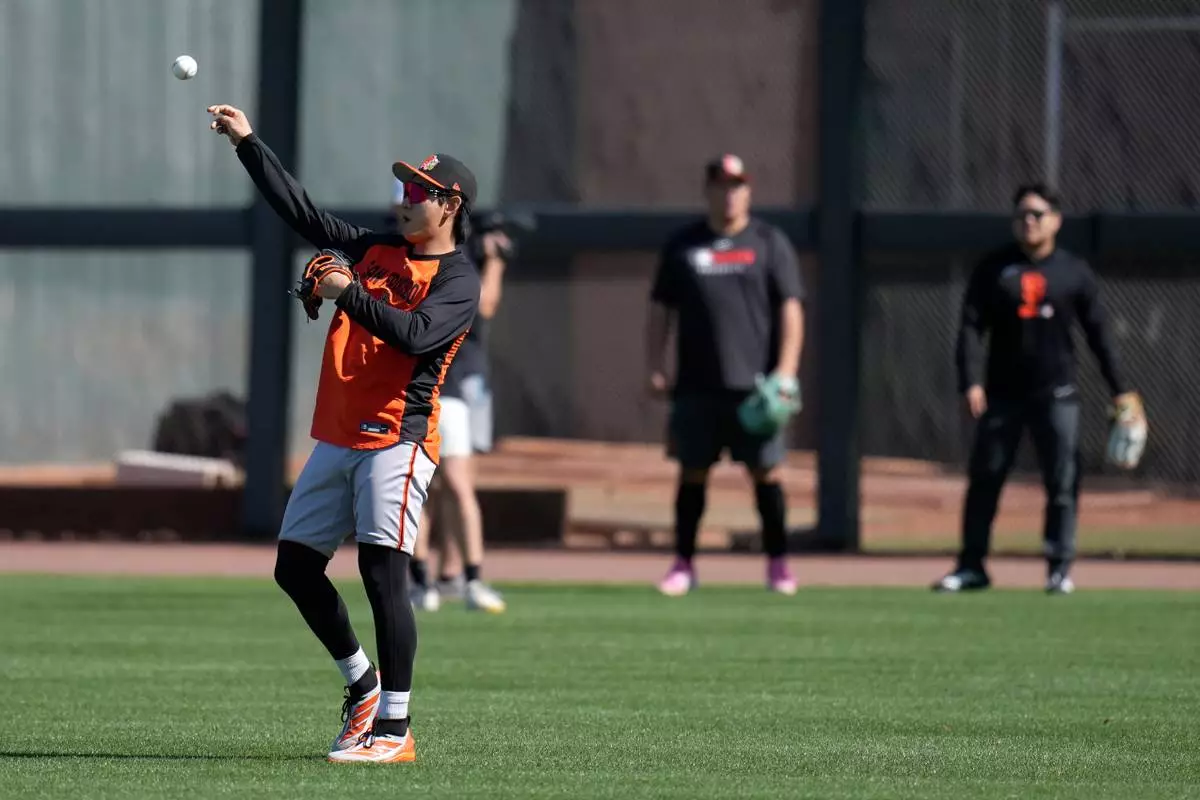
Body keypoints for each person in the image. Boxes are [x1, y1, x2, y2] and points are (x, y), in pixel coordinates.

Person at [209, 104, 481, 763]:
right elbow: (303, 214)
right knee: (295, 567)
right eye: (404, 188)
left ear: (450, 205)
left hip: (398, 437)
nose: (405, 200)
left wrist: (346, 292)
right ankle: (362, 683)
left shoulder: (458, 279)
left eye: (418, 192)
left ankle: (395, 730)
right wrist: (248, 143)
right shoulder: (376, 250)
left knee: (382, 573)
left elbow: (416, 336)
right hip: (338, 435)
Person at [935, 183, 1140, 595]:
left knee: (1062, 483)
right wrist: (970, 381)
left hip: (1057, 394)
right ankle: (972, 566)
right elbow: (971, 329)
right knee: (985, 479)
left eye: (1037, 214)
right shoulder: (995, 269)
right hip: (1002, 395)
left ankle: (1059, 568)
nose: (1028, 222)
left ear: (1056, 221)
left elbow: (1099, 334)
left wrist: (1121, 390)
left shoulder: (1073, 272)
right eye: (1021, 215)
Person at [646, 154, 806, 596]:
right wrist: (655, 364)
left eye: (737, 186)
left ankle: (778, 565)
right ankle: (683, 565)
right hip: (697, 385)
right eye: (721, 186)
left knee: (767, 476)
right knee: (692, 474)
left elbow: (791, 308)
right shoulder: (684, 245)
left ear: (747, 192)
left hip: (756, 390)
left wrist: (786, 372)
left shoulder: (769, 242)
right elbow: (660, 310)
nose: (730, 194)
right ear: (708, 191)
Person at [393, 181, 510, 614]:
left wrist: (493, 258)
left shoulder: (457, 260)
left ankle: (465, 578)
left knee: (457, 485)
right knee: (421, 485)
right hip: (423, 390)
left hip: (456, 389)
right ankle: (423, 580)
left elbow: (481, 308)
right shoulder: (407, 258)